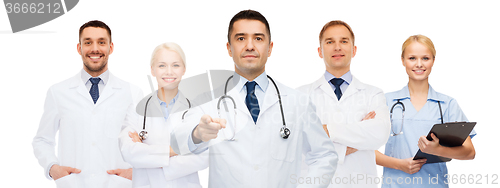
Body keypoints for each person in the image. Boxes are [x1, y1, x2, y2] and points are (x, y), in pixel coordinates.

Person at [170, 10, 338, 187]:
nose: (250, 46)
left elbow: (325, 155)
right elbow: (177, 138)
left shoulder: (297, 102)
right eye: (241, 38)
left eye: (258, 38)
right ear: (229, 48)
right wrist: (197, 133)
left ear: (270, 48)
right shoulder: (208, 101)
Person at [32, 20, 142, 188]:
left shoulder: (132, 92)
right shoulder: (58, 92)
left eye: (101, 42)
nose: (95, 49)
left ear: (111, 48)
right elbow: (42, 140)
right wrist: (53, 168)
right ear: (79, 48)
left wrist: (136, 172)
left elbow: (145, 142)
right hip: (74, 183)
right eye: (88, 42)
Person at [297, 20, 390, 188]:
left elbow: (380, 133)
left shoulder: (372, 93)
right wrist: (357, 138)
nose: (337, 47)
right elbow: (301, 144)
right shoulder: (300, 96)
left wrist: (326, 130)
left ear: (354, 50)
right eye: (330, 41)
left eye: (344, 41)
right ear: (320, 51)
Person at [375, 35, 476, 188]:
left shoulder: (447, 104)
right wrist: (399, 164)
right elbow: (363, 149)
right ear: (402, 60)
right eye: (412, 58)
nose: (419, 64)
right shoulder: (386, 101)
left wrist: (439, 149)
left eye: (425, 58)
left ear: (433, 61)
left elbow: (469, 152)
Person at [119, 42, 208, 188]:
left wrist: (147, 156)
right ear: (152, 70)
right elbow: (128, 151)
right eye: (162, 66)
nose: (169, 72)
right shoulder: (137, 108)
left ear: (184, 69)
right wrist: (176, 150)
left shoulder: (196, 111)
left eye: (175, 65)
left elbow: (204, 157)